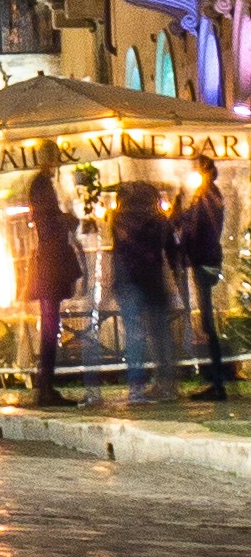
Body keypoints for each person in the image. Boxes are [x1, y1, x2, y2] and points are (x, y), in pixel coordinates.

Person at [108, 169, 180, 404]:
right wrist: (175, 275)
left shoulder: (119, 219)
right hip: (153, 281)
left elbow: (120, 252)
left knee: (135, 335)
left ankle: (136, 386)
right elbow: (171, 249)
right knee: (161, 335)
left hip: (129, 282)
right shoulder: (159, 219)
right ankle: (167, 384)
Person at [18, 156, 82, 406]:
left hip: (50, 264)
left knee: (50, 326)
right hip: (50, 265)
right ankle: (45, 387)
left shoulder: (40, 185)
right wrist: (69, 220)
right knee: (49, 327)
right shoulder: (42, 186)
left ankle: (46, 385)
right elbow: (50, 220)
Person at [175, 159, 231, 398]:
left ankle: (217, 384)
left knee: (208, 322)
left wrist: (180, 215)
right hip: (209, 259)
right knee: (207, 322)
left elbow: (194, 227)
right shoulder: (211, 195)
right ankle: (216, 381)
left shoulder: (206, 196)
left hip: (203, 260)